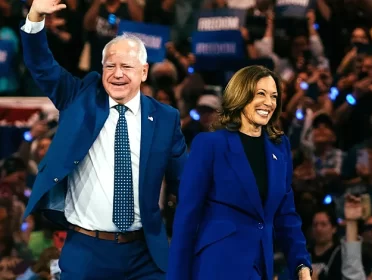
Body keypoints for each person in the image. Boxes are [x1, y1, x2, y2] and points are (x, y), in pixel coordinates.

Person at [19, 0, 187, 278]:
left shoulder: (166, 119)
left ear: (144, 72)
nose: (118, 74)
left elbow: (186, 184)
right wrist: (35, 15)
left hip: (146, 254)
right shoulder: (79, 98)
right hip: (87, 252)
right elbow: (41, 65)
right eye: (111, 66)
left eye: (127, 67)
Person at [167, 65, 312, 280]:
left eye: (274, 96)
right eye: (260, 94)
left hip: (260, 266)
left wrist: (301, 263)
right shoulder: (210, 145)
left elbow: (286, 214)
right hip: (217, 265)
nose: (269, 103)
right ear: (241, 95)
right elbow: (187, 217)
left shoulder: (279, 148)